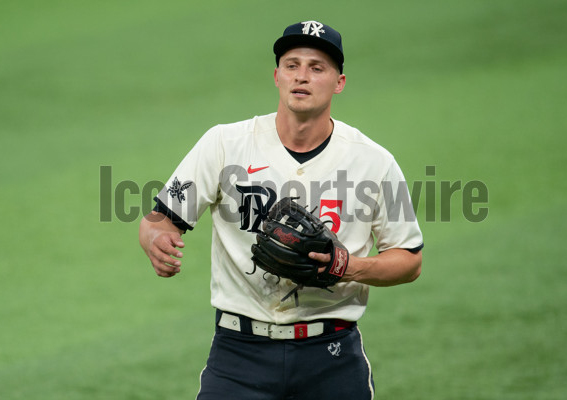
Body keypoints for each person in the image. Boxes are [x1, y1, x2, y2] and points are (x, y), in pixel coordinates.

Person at [139, 20, 423, 400]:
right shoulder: (225, 144)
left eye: (316, 67)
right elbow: (160, 220)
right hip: (239, 355)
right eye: (292, 65)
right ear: (277, 76)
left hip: (332, 359)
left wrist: (347, 266)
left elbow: (409, 260)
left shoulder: (374, 162)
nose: (301, 76)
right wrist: (156, 239)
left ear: (339, 82)